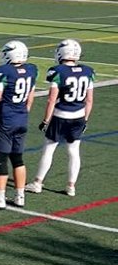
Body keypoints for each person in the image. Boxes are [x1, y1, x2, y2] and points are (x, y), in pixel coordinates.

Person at [29, 39, 95, 197]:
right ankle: (71, 186)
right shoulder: (88, 71)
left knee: (49, 149)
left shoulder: (58, 71)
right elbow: (89, 100)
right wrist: (85, 119)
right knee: (74, 151)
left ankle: (38, 182)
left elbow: (52, 99)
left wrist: (46, 120)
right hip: (79, 115)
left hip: (61, 115)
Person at [0, 40, 37, 209]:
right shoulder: (31, 70)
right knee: (18, 159)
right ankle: (20, 196)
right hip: (22, 118)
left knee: (1, 160)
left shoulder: (3, 72)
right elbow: (30, 97)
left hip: (6, 120)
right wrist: (24, 111)